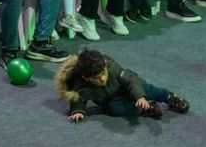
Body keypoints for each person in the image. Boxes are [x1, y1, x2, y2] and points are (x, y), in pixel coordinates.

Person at [55, 48, 190, 121]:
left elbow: (130, 81)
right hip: (111, 100)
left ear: (105, 66)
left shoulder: (112, 67)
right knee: (113, 110)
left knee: (148, 89)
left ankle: (169, 97)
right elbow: (78, 99)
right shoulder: (81, 86)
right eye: (97, 78)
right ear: (86, 77)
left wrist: (140, 96)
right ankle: (145, 109)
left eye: (104, 73)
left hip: (127, 86)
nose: (103, 79)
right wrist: (78, 111)